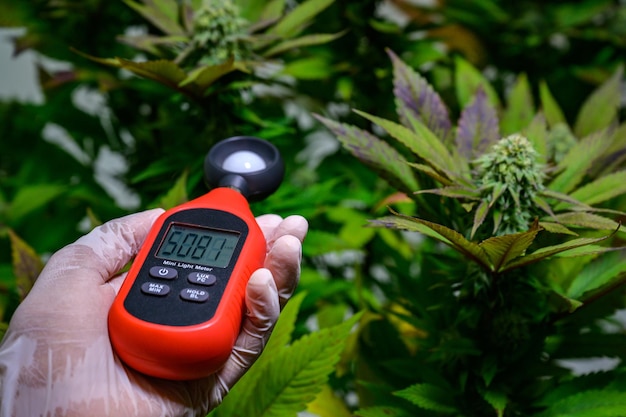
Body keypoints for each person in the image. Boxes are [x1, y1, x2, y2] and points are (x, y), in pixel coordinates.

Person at [0, 208, 308, 416]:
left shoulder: (185, 220)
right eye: (187, 246)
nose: (191, 265)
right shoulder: (184, 221)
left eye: (204, 251)